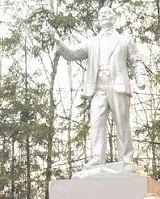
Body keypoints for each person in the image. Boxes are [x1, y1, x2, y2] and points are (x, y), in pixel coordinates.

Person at [53, 6, 146, 169]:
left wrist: (140, 78)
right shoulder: (92, 42)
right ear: (98, 20)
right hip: (97, 87)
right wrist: (58, 41)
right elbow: (72, 54)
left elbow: (136, 61)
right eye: (101, 14)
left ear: (114, 18)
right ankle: (97, 158)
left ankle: (126, 159)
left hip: (117, 84)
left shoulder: (125, 40)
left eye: (108, 13)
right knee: (96, 122)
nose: (104, 15)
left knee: (122, 122)